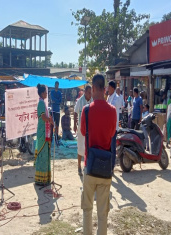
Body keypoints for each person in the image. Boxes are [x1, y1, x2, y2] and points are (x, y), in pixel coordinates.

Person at [80, 74, 116, 235]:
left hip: (90, 166)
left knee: (87, 209)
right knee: (103, 213)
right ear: (105, 88)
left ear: (93, 88)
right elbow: (112, 134)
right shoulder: (113, 111)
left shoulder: (86, 110)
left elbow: (82, 131)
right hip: (105, 168)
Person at [34, 84, 54, 185]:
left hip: (44, 132)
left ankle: (44, 178)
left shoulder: (43, 103)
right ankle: (41, 179)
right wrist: (50, 120)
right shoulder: (41, 103)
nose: (47, 94)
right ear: (42, 93)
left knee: (45, 154)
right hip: (42, 132)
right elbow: (43, 117)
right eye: (46, 92)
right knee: (42, 154)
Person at [74, 85, 92, 176]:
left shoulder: (93, 100)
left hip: (91, 128)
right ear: (85, 92)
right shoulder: (80, 101)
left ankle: (87, 166)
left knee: (89, 147)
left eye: (91, 92)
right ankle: (79, 167)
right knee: (80, 147)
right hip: (81, 127)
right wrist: (74, 125)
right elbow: (75, 112)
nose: (90, 94)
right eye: (89, 92)